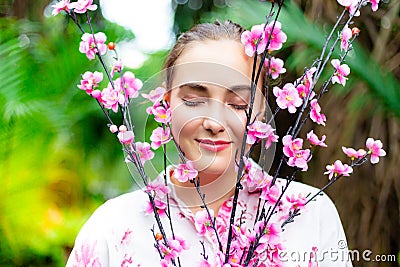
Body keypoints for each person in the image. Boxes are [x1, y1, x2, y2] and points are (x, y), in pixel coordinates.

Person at [66, 20, 353, 267]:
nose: (214, 123)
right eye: (193, 100)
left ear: (262, 112)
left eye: (238, 103)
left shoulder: (310, 215)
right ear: (166, 106)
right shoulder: (113, 227)